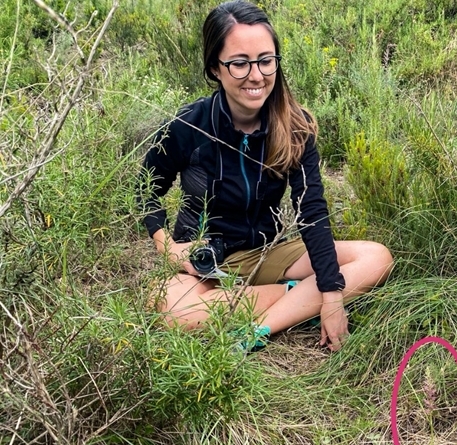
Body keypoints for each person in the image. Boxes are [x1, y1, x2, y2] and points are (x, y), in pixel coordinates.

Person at [139, 0, 393, 351]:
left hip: (268, 254)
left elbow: (312, 213)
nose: (256, 75)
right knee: (170, 311)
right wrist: (166, 245)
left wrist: (333, 295)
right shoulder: (188, 126)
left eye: (265, 60)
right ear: (215, 67)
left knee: (376, 257)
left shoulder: (295, 126)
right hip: (205, 261)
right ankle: (296, 299)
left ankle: (256, 330)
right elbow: (144, 188)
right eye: (240, 63)